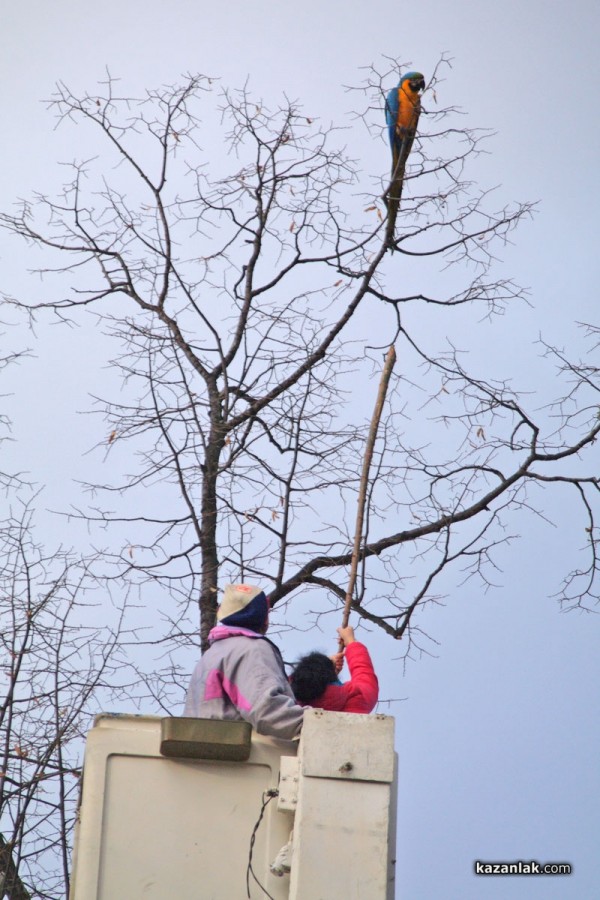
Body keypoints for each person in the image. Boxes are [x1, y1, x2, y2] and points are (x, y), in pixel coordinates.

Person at [184, 583, 304, 740]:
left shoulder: (212, 655)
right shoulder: (253, 649)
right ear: (264, 618)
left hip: (206, 753)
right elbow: (267, 713)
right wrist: (318, 722)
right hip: (238, 758)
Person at [289, 625, 378, 714]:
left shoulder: (290, 705)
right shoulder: (355, 699)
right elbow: (365, 677)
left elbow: (285, 683)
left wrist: (324, 668)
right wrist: (351, 642)